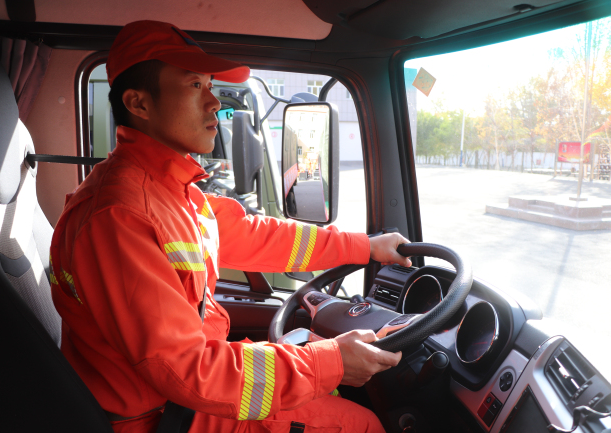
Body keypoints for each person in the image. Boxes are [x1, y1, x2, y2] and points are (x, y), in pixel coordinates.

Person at [49, 20, 412, 433]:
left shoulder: (171, 190)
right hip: (162, 418)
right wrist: (330, 362)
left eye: (210, 85)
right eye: (195, 86)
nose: (214, 102)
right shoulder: (120, 215)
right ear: (139, 103)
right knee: (361, 425)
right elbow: (185, 369)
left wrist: (364, 247)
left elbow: (259, 237)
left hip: (181, 398)